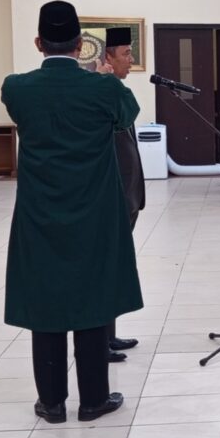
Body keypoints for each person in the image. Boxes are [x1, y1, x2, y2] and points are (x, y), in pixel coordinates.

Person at [1, 0, 143, 424]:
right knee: (93, 297)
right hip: (94, 211)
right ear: (81, 45)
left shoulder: (16, 88)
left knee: (45, 301)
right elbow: (125, 118)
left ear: (38, 42)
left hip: (39, 213)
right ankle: (94, 399)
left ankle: (52, 402)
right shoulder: (105, 90)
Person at [100, 27, 145, 363]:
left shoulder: (115, 90)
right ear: (108, 59)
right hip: (111, 196)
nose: (131, 60)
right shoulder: (101, 92)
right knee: (105, 268)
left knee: (115, 268)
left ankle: (109, 336)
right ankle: (99, 341)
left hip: (127, 192)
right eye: (126, 54)